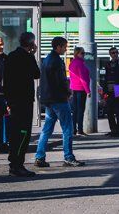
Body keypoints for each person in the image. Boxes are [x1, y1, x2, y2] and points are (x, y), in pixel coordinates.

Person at [35, 37, 85, 168]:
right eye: (64, 46)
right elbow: (61, 80)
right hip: (58, 99)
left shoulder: (46, 60)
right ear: (58, 47)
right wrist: (68, 92)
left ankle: (39, 157)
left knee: (47, 129)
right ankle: (68, 157)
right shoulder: (57, 61)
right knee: (68, 128)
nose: (65, 49)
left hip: (48, 100)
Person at [3, 32, 40, 177]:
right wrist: (32, 54)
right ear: (31, 44)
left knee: (14, 133)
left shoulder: (11, 56)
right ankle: (18, 164)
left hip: (13, 101)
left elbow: (6, 79)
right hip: (24, 101)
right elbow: (37, 74)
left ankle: (14, 163)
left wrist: (8, 100)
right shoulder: (27, 57)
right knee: (23, 133)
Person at [103, 47, 119, 137]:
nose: (115, 54)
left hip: (118, 88)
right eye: (113, 53)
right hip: (109, 90)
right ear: (110, 54)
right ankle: (113, 130)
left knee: (118, 111)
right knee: (109, 111)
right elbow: (105, 77)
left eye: (116, 52)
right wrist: (104, 90)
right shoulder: (108, 64)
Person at [68, 47, 91, 136]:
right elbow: (82, 78)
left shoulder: (72, 63)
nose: (84, 54)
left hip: (74, 88)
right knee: (81, 110)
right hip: (81, 89)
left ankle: (74, 129)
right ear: (77, 53)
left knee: (75, 110)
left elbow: (72, 77)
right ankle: (80, 130)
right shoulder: (80, 63)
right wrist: (88, 90)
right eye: (82, 53)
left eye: (84, 53)